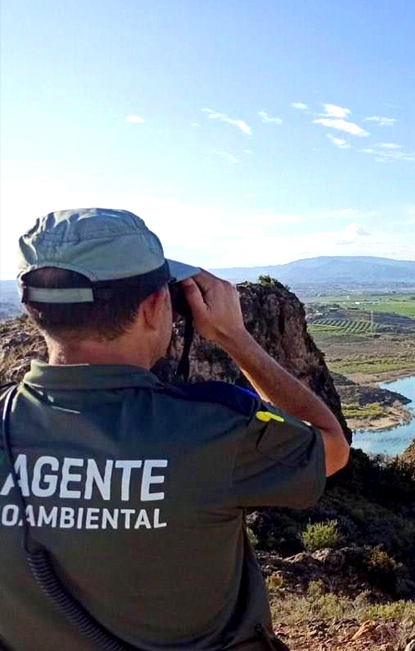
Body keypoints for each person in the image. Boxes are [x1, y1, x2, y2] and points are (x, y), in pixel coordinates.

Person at [0, 209, 350, 650]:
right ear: (153, 306)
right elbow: (332, 447)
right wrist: (236, 338)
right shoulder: (214, 429)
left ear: (33, 310)